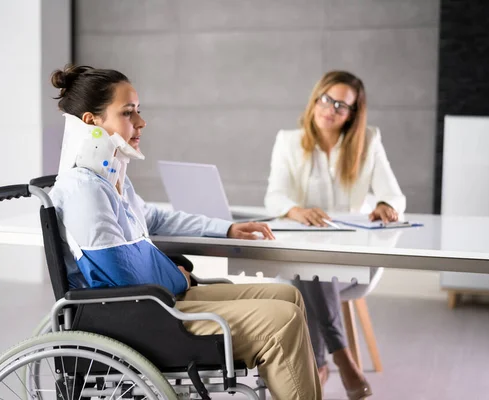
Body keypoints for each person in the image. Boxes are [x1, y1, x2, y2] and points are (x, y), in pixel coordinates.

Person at [48, 64, 322, 400]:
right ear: (91, 122)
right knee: (282, 322)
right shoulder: (83, 190)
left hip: (153, 303)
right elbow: (122, 274)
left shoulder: (108, 180)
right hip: (138, 316)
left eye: (139, 111)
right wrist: (176, 277)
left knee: (288, 297)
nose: (141, 122)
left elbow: (155, 220)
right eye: (128, 112)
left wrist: (227, 228)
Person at [265, 70, 406, 400]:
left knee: (309, 272)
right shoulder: (288, 140)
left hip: (354, 265)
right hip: (306, 261)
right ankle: (341, 360)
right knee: (309, 269)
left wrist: (386, 204)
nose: (330, 109)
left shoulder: (368, 141)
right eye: (326, 99)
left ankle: (322, 363)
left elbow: (395, 195)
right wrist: (297, 211)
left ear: (353, 114)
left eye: (341, 105)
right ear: (315, 99)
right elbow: (275, 196)